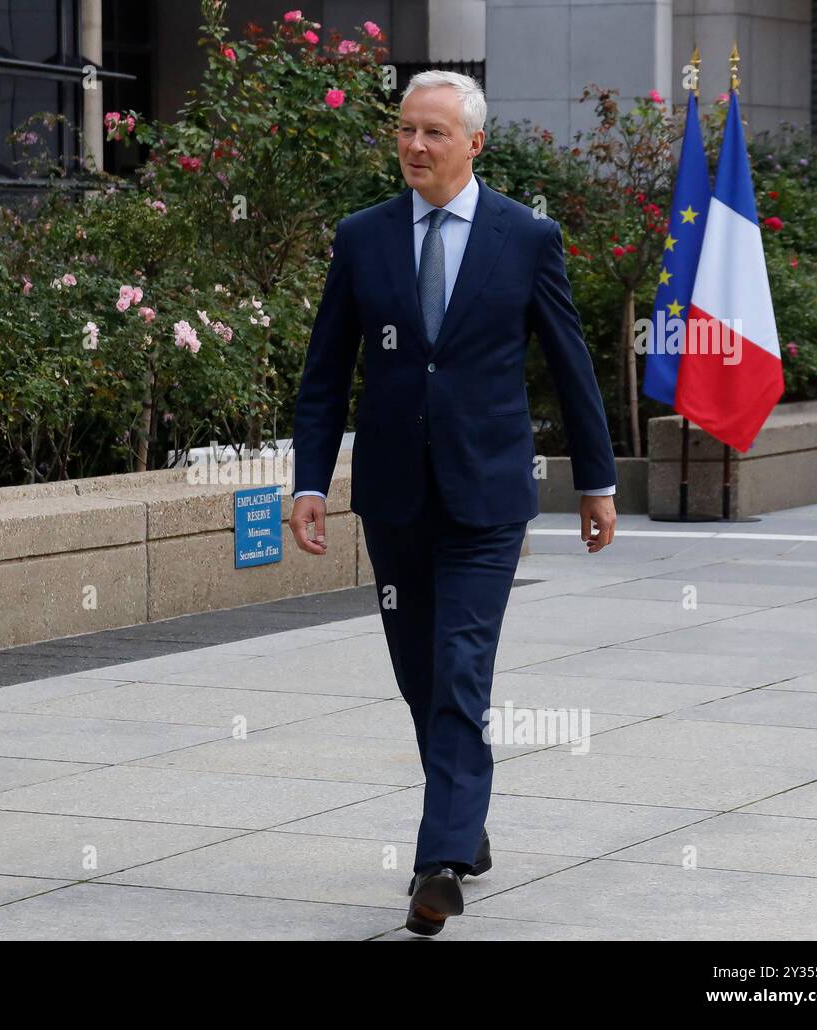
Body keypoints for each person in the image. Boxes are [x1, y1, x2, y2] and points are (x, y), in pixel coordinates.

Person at [288, 70, 617, 936]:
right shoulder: (362, 239)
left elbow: (570, 363)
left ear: (474, 144)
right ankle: (466, 826)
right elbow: (325, 374)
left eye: (434, 132)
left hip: (486, 497)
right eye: (406, 130)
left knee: (461, 671)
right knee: (419, 675)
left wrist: (597, 480)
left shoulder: (526, 237)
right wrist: (311, 482)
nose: (415, 146)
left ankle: (437, 863)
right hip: (394, 499)